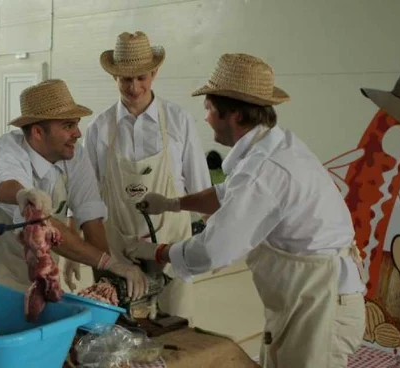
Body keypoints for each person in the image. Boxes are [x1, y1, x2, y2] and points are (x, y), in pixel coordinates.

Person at [132, 53, 366, 367]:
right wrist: (173, 203)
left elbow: (214, 250)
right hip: (305, 298)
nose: (206, 118)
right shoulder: (274, 146)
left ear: (235, 116)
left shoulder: (265, 170)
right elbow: (226, 194)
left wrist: (155, 251)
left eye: (209, 109)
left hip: (323, 304)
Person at [0, 79, 148, 299]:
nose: (78, 133)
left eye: (76, 124)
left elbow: (91, 218)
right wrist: (22, 195)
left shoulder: (73, 154)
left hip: (36, 272)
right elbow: (37, 220)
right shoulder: (6, 153)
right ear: (38, 132)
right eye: (68, 126)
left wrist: (109, 287)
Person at [84, 31, 210, 322]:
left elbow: (200, 186)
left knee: (177, 326)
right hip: (118, 248)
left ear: (154, 72)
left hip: (173, 247)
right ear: (114, 77)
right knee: (119, 330)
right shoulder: (99, 128)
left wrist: (212, 239)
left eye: (141, 77)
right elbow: (87, 196)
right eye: (125, 79)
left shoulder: (179, 121)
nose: (134, 86)